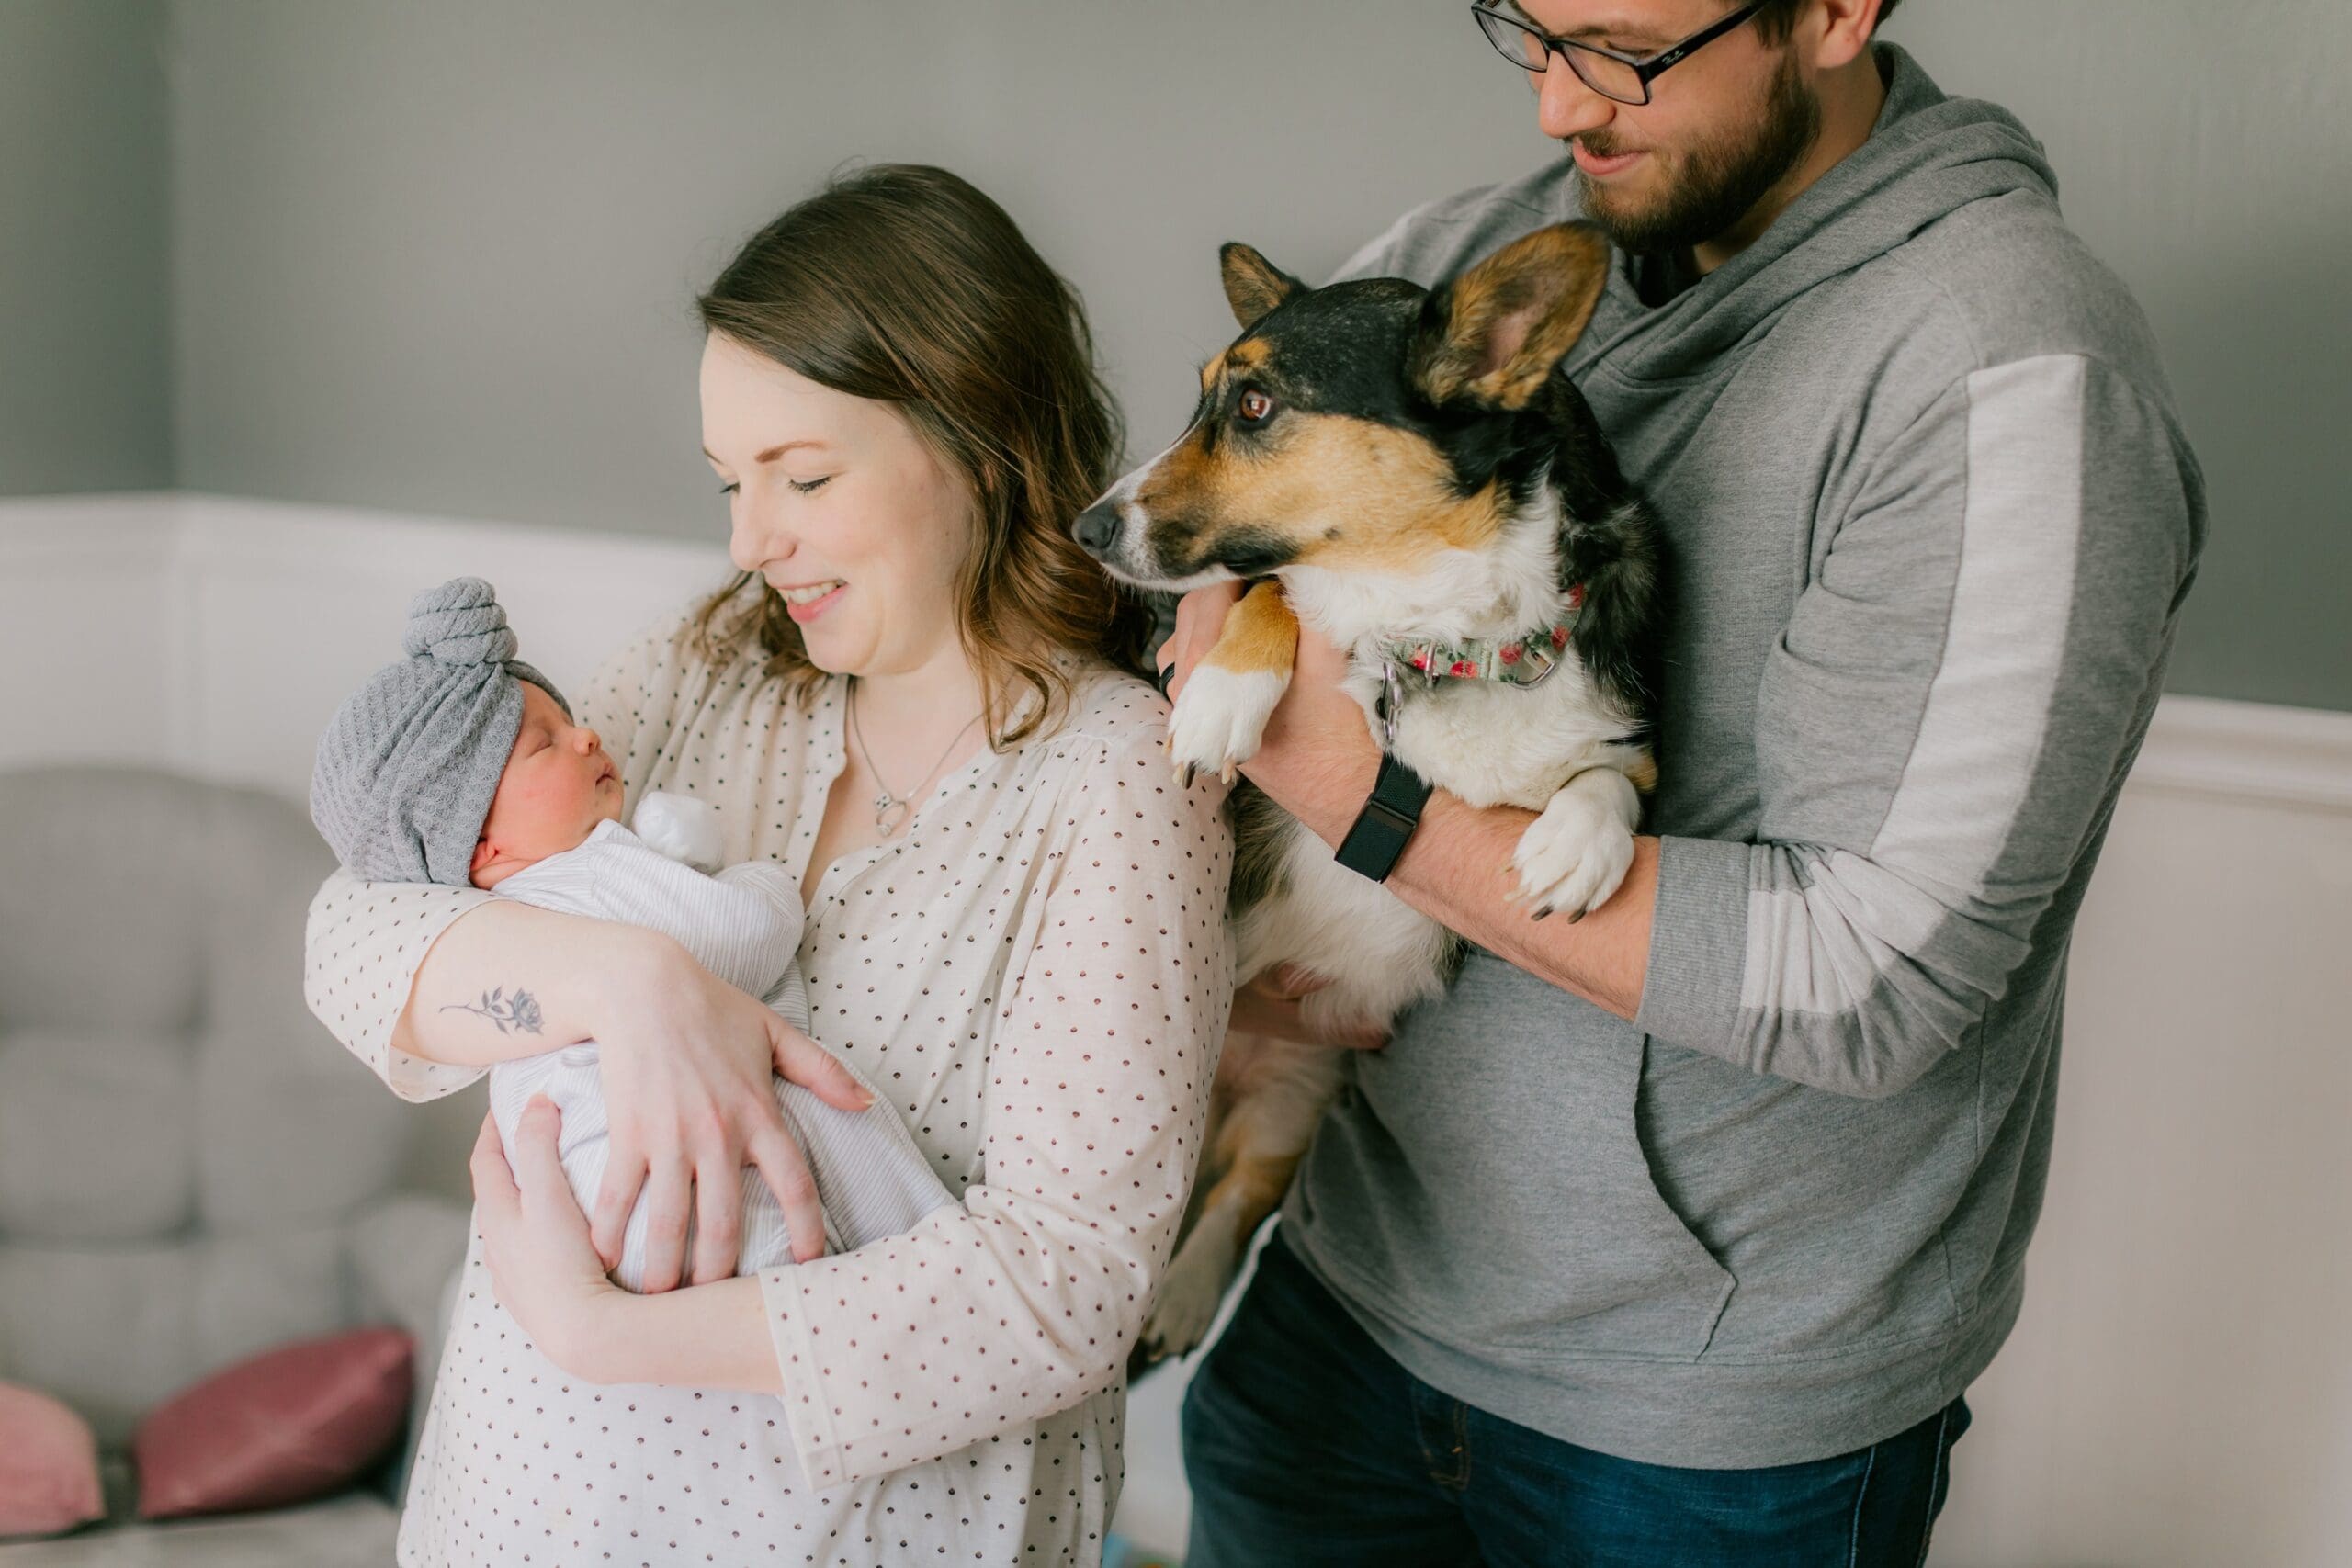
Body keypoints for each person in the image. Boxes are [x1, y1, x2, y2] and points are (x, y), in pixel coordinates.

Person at [1161, 2, 2204, 1563]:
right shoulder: (1465, 259)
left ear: (1836, 11)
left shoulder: (2012, 373)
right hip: (1342, 1302)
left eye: (1623, 44)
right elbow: (1223, 562)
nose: (1557, 108)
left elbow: (1877, 980)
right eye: (1527, 26)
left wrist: (1368, 805)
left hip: (1704, 1435)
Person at [301, 164, 1233, 1565]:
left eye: (802, 477)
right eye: (732, 482)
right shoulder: (715, 664)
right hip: (537, 1494)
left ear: (978, 439)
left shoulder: (1117, 783)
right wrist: (628, 982)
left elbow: (1063, 1284)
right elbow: (353, 932)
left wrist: (608, 1331)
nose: (751, 538)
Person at [307, 573, 952, 1299]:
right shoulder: (586, 875)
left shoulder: (528, 903)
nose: (586, 734)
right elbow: (738, 933)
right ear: (479, 844)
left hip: (602, 1210)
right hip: (665, 1189)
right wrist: (764, 883)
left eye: (568, 718)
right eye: (543, 744)